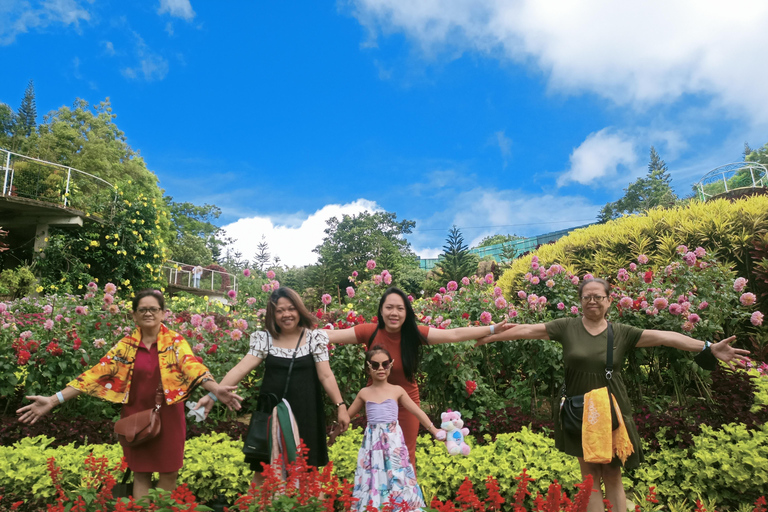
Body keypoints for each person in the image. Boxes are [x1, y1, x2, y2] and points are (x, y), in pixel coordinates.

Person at [476, 278, 750, 512]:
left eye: (598, 296)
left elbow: (667, 336)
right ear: (580, 301)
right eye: (586, 297)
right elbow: (525, 330)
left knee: (613, 473)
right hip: (578, 408)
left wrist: (708, 347)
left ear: (609, 301)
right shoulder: (566, 327)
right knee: (589, 476)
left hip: (611, 409)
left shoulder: (622, 333)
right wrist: (488, 335)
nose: (592, 301)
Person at [16, 289, 242, 499]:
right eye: (142, 309)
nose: (148, 313)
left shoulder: (175, 342)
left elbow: (192, 366)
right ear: (134, 316)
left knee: (169, 472)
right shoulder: (126, 346)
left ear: (163, 313)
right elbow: (95, 375)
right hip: (135, 417)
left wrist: (215, 389)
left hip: (170, 417)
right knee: (141, 473)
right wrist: (53, 400)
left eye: (153, 309)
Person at [327, 286, 510, 467]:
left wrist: (492, 329)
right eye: (389, 307)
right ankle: (381, 495)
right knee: (380, 454)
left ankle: (408, 496)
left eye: (400, 308)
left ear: (406, 312)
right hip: (378, 403)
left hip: (408, 404)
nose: (394, 313)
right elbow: (331, 335)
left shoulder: (413, 334)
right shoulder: (369, 331)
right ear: (381, 310)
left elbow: (453, 334)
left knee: (405, 455)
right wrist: (300, 333)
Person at [195, 287, 350, 485]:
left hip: (306, 413)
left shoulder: (314, 338)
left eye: (291, 308)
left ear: (299, 310)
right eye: (280, 310)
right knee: (263, 472)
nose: (286, 314)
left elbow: (326, 375)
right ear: (273, 314)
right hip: (271, 413)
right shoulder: (264, 339)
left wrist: (341, 406)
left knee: (308, 472)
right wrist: (214, 394)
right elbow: (240, 369)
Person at [346, 346, 442, 512]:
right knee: (374, 476)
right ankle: (375, 506)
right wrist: (332, 434)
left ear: (391, 365)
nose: (381, 368)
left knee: (397, 473)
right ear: (368, 368)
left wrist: (434, 430)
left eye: (385, 364)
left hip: (393, 442)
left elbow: (417, 412)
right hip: (372, 444)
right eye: (375, 365)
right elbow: (345, 418)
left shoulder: (397, 390)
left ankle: (400, 507)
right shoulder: (364, 393)